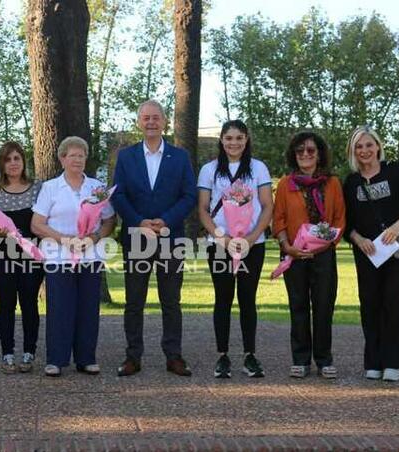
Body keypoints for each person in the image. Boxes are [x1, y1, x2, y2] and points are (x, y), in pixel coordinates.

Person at [111, 99, 197, 377]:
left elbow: (189, 196)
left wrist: (166, 220)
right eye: (145, 118)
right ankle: (132, 357)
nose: (151, 122)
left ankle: (174, 356)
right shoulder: (126, 157)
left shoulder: (180, 156)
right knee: (134, 301)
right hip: (136, 238)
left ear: (164, 121)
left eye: (156, 118)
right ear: (139, 122)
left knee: (170, 301)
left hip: (171, 238)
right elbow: (119, 195)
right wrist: (139, 222)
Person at [31, 136, 116, 377]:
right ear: (62, 158)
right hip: (59, 257)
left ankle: (86, 358)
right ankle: (56, 359)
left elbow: (109, 220)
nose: (78, 159)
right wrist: (64, 239)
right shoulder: (50, 188)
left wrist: (95, 237)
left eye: (82, 155)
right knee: (60, 308)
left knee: (88, 308)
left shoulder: (97, 187)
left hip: (90, 257)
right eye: (73, 155)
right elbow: (37, 224)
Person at [343, 126, 399, 382]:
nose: (364, 150)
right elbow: (347, 223)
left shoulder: (395, 172)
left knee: (395, 303)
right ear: (353, 151)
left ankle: (393, 363)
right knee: (370, 303)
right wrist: (359, 239)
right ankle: (373, 361)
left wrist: (397, 228)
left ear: (378, 146)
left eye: (369, 145)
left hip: (397, 248)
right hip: (368, 252)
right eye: (359, 146)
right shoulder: (351, 182)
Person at [197, 120, 273, 379]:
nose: (234, 143)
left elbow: (267, 206)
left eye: (239, 138)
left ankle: (249, 355)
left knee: (248, 299)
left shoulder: (258, 167)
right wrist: (222, 238)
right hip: (220, 245)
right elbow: (203, 210)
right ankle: (222, 356)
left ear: (246, 139)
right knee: (223, 299)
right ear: (221, 140)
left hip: (253, 244)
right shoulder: (209, 170)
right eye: (229, 138)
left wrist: (251, 238)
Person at [272, 131, 346, 379]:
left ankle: (324, 359)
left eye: (311, 150)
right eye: (300, 150)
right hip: (293, 254)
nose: (305, 154)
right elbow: (278, 219)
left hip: (324, 255)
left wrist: (321, 245)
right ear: (294, 155)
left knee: (324, 307)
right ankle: (300, 359)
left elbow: (339, 221)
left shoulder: (333, 183)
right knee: (298, 306)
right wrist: (287, 245)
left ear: (319, 154)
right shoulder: (285, 184)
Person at [0, 142, 44, 374]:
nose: (13, 163)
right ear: (2, 164)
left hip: (30, 254)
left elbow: (43, 219)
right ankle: (7, 353)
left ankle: (29, 352)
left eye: (17, 158)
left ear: (23, 161)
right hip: (2, 255)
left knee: (29, 303)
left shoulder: (37, 187)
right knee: (6, 304)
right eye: (8, 159)